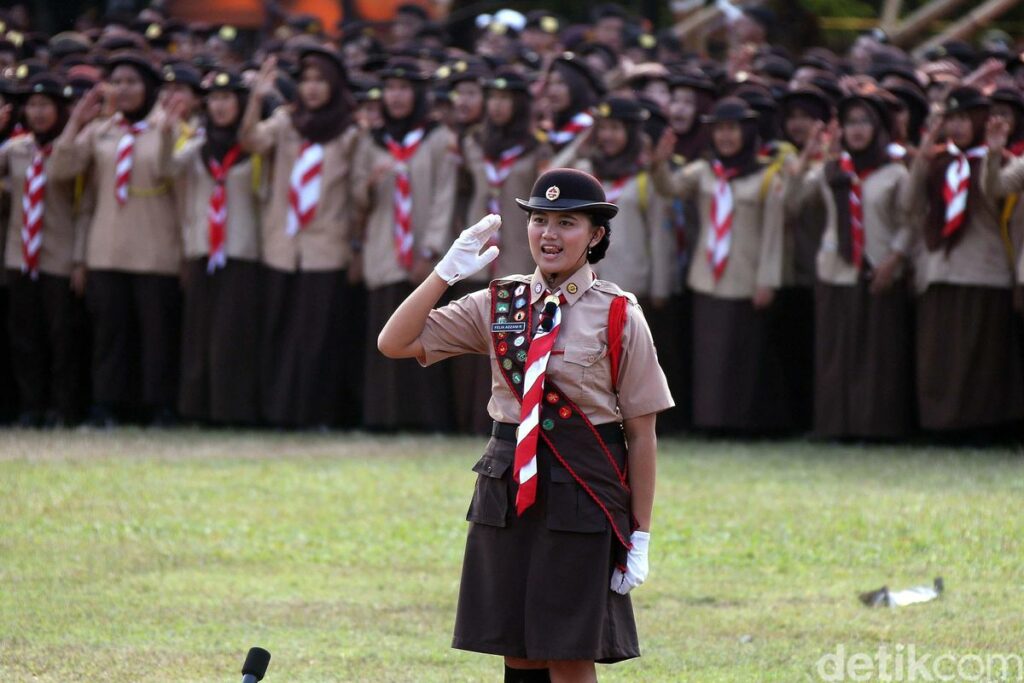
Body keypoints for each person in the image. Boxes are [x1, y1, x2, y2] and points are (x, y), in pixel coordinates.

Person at [377, 168, 673, 682]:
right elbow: (395, 342)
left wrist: (640, 535)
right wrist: (445, 273)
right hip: (507, 486)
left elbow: (641, 435)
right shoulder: (499, 302)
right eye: (539, 220)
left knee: (569, 650)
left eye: (567, 222)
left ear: (596, 234)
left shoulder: (619, 314)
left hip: (582, 490)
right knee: (515, 647)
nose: (549, 234)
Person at [50, 51, 183, 426]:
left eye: (132, 82)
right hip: (106, 248)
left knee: (155, 336)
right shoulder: (101, 131)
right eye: (117, 82)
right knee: (110, 334)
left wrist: (170, 133)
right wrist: (75, 123)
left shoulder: (166, 128)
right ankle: (107, 404)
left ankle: (157, 406)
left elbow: (169, 173)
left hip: (156, 249)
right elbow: (61, 171)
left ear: (150, 89)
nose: (123, 89)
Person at [240, 46, 363, 429]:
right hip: (282, 246)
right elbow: (251, 142)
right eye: (306, 80)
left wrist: (355, 246)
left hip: (326, 248)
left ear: (334, 86)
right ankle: (276, 412)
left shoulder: (350, 131)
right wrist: (256, 99)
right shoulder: (285, 121)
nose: (311, 89)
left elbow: (357, 196)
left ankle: (316, 415)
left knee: (317, 338)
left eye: (320, 81)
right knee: (278, 330)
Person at [652, 97, 789, 434]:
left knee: (742, 355)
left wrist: (767, 280)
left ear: (748, 131)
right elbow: (669, 189)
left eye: (733, 129)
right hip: (707, 275)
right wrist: (659, 165)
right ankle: (709, 420)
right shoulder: (704, 171)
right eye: (720, 130)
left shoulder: (766, 175)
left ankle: (739, 422)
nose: (726, 137)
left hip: (746, 275)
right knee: (708, 354)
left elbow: (774, 234)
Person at [789, 91, 914, 439]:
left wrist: (895, 258)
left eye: (864, 122)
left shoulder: (894, 173)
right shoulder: (831, 170)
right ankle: (835, 427)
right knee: (836, 353)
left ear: (877, 128)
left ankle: (875, 428)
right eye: (850, 122)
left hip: (879, 269)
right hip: (835, 269)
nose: (857, 130)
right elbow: (793, 202)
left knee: (876, 354)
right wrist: (807, 155)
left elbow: (911, 221)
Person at [908, 86, 1023, 434]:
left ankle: (977, 426)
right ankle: (938, 424)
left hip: (982, 269)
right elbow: (910, 206)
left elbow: (995, 190)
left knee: (976, 358)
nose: (956, 127)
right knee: (938, 354)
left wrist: (992, 151)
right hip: (939, 268)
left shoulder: (1005, 161)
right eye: (951, 119)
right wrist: (922, 160)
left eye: (963, 119)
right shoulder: (940, 163)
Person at [350, 56, 456, 431]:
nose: (396, 97)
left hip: (425, 253)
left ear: (419, 94)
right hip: (384, 248)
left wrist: (430, 251)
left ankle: (424, 418)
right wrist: (368, 186)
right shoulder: (373, 141)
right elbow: (356, 201)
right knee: (385, 330)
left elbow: (446, 196)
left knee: (428, 332)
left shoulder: (439, 138)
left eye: (404, 89)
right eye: (390, 89)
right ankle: (383, 416)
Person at [455, 68, 551, 434]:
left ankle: (509, 416)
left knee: (512, 337)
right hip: (476, 253)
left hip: (516, 252)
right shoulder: (472, 142)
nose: (497, 107)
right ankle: (466, 417)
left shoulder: (536, 146)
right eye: (492, 98)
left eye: (505, 100)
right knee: (472, 331)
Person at [166, 69, 262, 425]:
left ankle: (231, 409)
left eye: (228, 99)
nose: (221, 107)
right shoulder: (195, 149)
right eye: (215, 99)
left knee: (233, 333)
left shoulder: (252, 152)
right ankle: (196, 408)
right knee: (198, 331)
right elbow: (165, 169)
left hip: (241, 251)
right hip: (201, 249)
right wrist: (166, 129)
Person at [1, 73, 87, 427]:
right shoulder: (15, 150)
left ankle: (63, 408)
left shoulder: (74, 147)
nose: (37, 113)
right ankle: (31, 406)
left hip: (59, 255)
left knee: (62, 337)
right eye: (32, 105)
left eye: (45, 106)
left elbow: (77, 193)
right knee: (24, 336)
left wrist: (81, 259)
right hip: (20, 255)